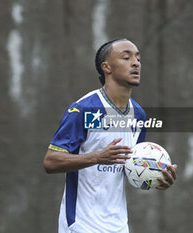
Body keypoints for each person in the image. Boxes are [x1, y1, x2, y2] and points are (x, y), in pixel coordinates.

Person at [43, 38, 177, 233]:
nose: (135, 63)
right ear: (107, 67)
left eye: (138, 58)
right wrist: (97, 157)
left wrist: (157, 177)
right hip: (81, 225)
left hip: (119, 226)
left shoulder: (138, 115)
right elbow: (51, 162)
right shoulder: (85, 109)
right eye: (126, 57)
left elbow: (130, 169)